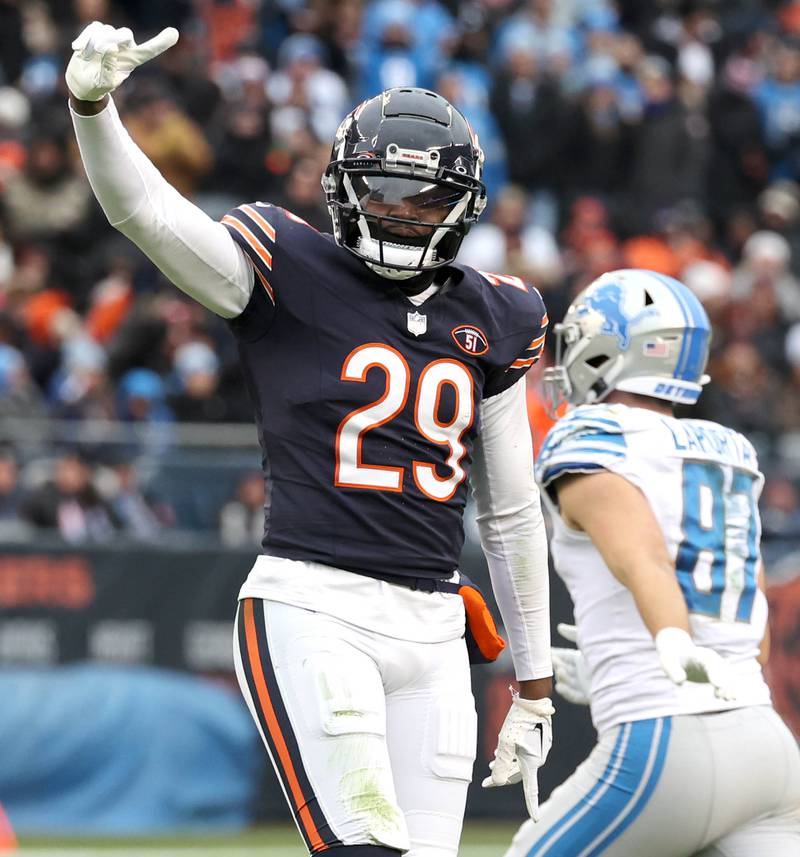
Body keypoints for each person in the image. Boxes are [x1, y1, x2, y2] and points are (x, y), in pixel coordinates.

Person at [65, 23, 555, 856]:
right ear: (342, 190)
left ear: (464, 205)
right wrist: (92, 106)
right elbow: (143, 211)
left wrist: (536, 683)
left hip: (436, 627)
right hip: (313, 603)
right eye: (384, 192)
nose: (401, 214)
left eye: (424, 199)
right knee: (365, 846)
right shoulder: (287, 267)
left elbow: (510, 510)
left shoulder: (496, 313)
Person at [503, 268, 800, 857]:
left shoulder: (591, 436)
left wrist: (668, 645)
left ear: (610, 347)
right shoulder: (729, 453)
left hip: (666, 734)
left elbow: (645, 560)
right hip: (768, 747)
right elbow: (754, 638)